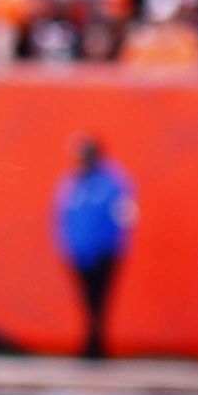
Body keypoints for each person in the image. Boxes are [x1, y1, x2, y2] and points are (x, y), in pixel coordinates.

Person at [52, 136, 136, 360]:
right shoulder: (72, 183)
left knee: (99, 300)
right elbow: (61, 216)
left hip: (105, 252)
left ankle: (96, 345)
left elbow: (123, 216)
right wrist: (67, 246)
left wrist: (114, 246)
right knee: (87, 300)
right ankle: (92, 342)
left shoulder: (112, 182)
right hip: (79, 253)